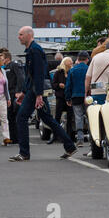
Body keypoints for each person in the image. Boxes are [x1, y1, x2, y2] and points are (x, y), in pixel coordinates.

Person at [9, 26, 77, 162]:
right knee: (47, 118)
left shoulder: (35, 50)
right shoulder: (31, 50)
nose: (19, 37)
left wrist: (39, 95)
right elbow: (30, 75)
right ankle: (70, 146)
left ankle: (24, 153)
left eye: (21, 34)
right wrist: (23, 92)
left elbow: (39, 74)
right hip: (33, 90)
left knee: (21, 117)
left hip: (35, 91)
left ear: (29, 35)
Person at [85, 40, 109, 105]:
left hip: (95, 92)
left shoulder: (96, 57)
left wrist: (85, 94)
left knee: (96, 113)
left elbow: (88, 77)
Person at [65, 51, 90, 148]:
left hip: (75, 96)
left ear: (78, 59)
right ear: (87, 59)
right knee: (89, 117)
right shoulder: (89, 69)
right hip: (87, 96)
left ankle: (80, 139)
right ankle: (92, 137)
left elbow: (68, 86)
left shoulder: (72, 70)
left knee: (78, 117)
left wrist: (68, 98)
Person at [48, 57, 74, 145]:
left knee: (70, 118)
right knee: (57, 118)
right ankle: (55, 136)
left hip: (69, 97)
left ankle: (69, 136)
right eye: (69, 63)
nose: (71, 65)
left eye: (71, 63)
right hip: (60, 97)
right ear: (65, 64)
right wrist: (59, 85)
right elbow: (53, 84)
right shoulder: (58, 72)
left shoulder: (72, 72)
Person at [2, 51, 25, 144]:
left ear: (7, 58)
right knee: (10, 116)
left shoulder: (14, 65)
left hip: (14, 93)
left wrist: (18, 91)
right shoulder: (4, 68)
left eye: (2, 58)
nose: (1, 60)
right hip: (7, 94)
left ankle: (19, 138)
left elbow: (21, 78)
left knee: (16, 116)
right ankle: (13, 138)